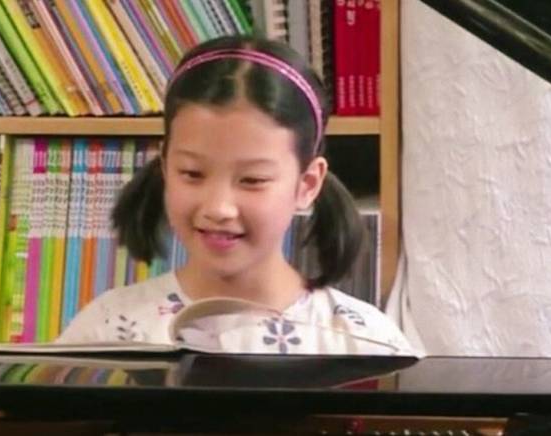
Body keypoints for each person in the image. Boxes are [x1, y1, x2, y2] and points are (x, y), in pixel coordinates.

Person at [57, 35, 416, 355]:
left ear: (307, 184)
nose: (218, 208)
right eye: (192, 174)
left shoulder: (367, 343)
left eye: (252, 180)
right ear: (165, 166)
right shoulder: (106, 331)